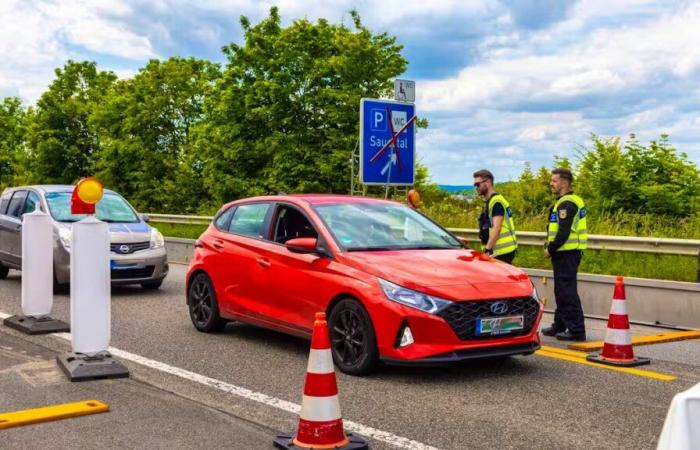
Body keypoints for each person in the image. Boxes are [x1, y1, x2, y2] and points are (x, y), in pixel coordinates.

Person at [542, 168, 588, 341]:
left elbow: (563, 232)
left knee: (567, 291)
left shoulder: (566, 203)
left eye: (554, 181)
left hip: (567, 252)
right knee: (561, 290)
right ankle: (560, 324)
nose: (551, 184)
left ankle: (576, 329)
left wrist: (550, 249)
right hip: (567, 252)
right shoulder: (570, 200)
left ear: (564, 182)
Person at [473, 169, 517, 264]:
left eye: (478, 184)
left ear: (488, 182)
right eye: (475, 185)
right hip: (500, 251)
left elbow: (497, 228)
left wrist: (487, 249)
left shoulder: (496, 202)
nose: (476, 188)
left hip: (501, 252)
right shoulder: (492, 201)